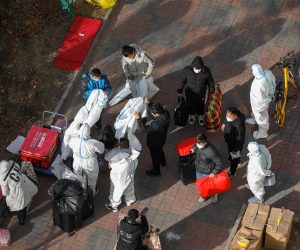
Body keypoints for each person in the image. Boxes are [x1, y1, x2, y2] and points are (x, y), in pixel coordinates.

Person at [104, 135, 142, 212]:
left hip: (118, 177)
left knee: (116, 189)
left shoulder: (117, 153)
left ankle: (114, 205)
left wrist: (111, 164)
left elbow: (107, 158)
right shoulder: (134, 157)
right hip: (130, 176)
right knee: (130, 187)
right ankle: (129, 201)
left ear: (120, 146)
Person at [133, 103, 170, 176]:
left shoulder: (157, 124)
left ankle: (156, 171)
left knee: (155, 157)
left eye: (152, 112)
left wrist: (138, 119)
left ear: (156, 114)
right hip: (162, 139)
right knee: (160, 150)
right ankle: (163, 162)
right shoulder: (166, 113)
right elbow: (157, 107)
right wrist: (149, 103)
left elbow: (144, 130)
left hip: (154, 142)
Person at [68, 123, 105, 194]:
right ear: (89, 132)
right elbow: (102, 150)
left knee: (78, 177)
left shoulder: (73, 140)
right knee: (92, 178)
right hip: (90, 162)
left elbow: (70, 145)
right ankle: (92, 192)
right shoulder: (93, 143)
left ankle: (80, 191)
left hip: (77, 161)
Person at [177, 56, 215, 125]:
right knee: (190, 104)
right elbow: (181, 81)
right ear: (192, 66)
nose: (197, 70)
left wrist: (212, 91)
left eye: (199, 69)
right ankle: (191, 115)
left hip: (201, 93)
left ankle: (201, 115)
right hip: (189, 93)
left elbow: (210, 82)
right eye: (195, 68)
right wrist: (180, 91)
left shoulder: (206, 71)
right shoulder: (187, 71)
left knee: (201, 104)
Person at [0, 160, 38, 225]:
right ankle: (22, 221)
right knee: (23, 205)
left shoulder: (2, 177)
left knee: (4, 201)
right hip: (27, 185)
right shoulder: (12, 163)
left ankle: (1, 216)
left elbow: (5, 193)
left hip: (19, 193)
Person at [191, 133, 225, 203]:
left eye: (205, 141)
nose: (206, 143)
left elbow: (219, 162)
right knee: (201, 185)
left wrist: (214, 172)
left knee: (210, 186)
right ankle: (203, 195)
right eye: (203, 142)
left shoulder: (211, 151)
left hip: (207, 172)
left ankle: (214, 194)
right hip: (199, 170)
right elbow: (196, 145)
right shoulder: (198, 145)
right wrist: (193, 148)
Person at [246, 64, 276, 139]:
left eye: (253, 70)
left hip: (259, 104)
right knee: (256, 113)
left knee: (262, 118)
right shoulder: (268, 72)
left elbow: (261, 99)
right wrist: (270, 95)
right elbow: (273, 83)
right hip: (263, 99)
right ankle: (254, 118)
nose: (252, 72)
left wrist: (267, 100)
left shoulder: (258, 84)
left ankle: (263, 132)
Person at [221, 107, 246, 177]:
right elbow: (227, 119)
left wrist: (235, 151)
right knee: (230, 151)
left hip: (236, 144)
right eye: (227, 115)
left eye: (229, 117)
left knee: (235, 158)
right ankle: (230, 157)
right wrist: (224, 123)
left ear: (235, 116)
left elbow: (239, 140)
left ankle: (232, 171)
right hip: (230, 139)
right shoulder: (237, 114)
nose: (227, 118)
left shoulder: (239, 127)